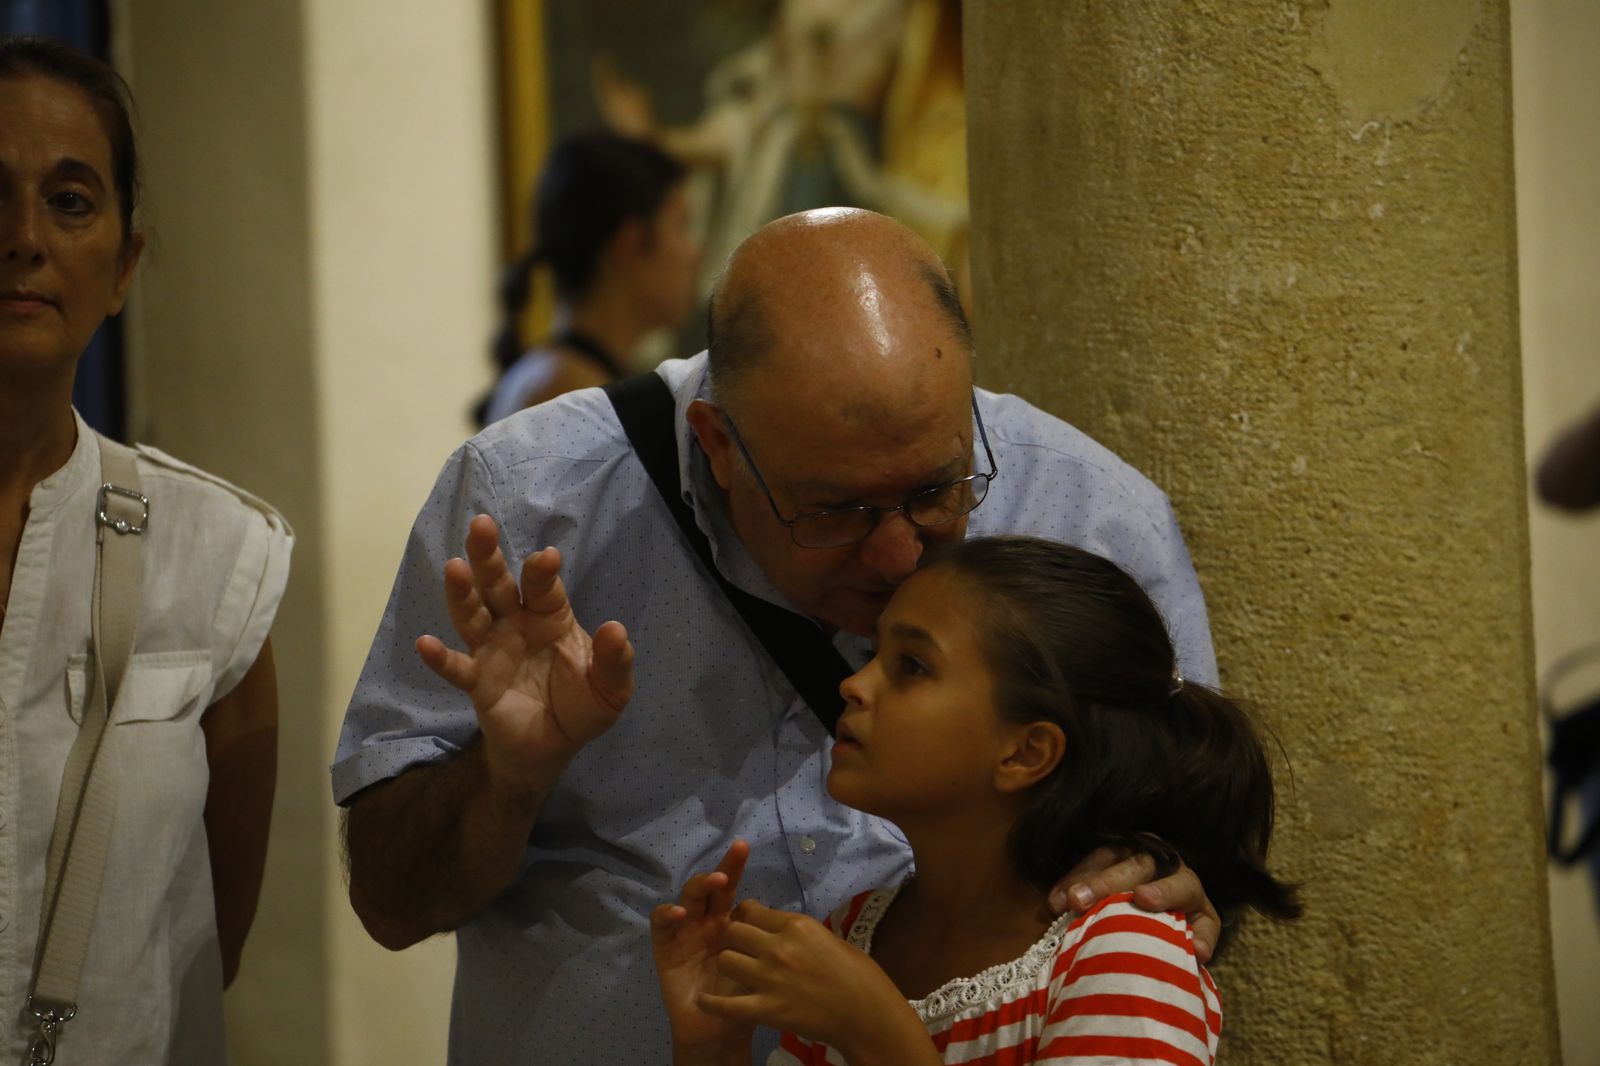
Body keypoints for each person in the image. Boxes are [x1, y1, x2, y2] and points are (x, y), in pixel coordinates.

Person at [335, 207, 1220, 1063]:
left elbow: (1188, 856)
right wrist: (510, 773)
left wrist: (1181, 881)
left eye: (940, 488)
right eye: (836, 509)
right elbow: (389, 904)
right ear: (716, 442)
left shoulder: (1097, 514)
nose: (900, 551)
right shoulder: (529, 503)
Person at [652, 536, 1301, 1065]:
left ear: (1025, 753)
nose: (853, 685)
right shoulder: (856, 932)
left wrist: (877, 1033)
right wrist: (713, 1047)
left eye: (912, 666)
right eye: (874, 652)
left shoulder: (1119, 957)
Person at [0, 37, 291, 1063]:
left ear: (125, 266)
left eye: (71, 201)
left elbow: (209, 937)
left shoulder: (214, 557)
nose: (24, 237)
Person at [478, 131, 699, 425]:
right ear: (629, 244)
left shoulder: (569, 378)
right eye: (681, 226)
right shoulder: (564, 391)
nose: (695, 252)